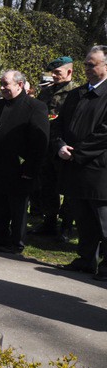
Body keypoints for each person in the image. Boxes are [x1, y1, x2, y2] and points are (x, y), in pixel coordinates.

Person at [0, 70, 49, 254]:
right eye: (1, 84)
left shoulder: (35, 107)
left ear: (19, 85)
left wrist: (31, 168)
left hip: (20, 167)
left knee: (17, 207)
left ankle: (16, 242)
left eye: (5, 84)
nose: (1, 88)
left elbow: (40, 142)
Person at [55, 46, 107, 280]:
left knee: (103, 221)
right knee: (83, 219)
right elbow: (59, 124)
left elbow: (104, 133)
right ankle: (85, 259)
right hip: (74, 166)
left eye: (91, 64)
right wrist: (59, 145)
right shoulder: (75, 94)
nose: (85, 68)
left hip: (99, 170)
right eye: (85, 63)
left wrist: (77, 152)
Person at [30, 56, 77, 240]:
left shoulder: (76, 93)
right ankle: (49, 222)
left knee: (67, 187)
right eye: (53, 73)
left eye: (58, 72)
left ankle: (66, 226)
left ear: (69, 72)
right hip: (46, 145)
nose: (55, 76)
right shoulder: (47, 92)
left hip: (65, 147)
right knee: (47, 185)